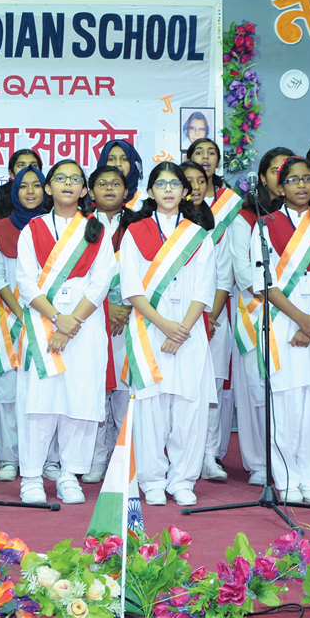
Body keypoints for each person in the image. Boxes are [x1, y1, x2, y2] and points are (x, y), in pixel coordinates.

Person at [16, 159, 115, 505]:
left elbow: (102, 280)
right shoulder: (33, 229)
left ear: (84, 190)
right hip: (45, 323)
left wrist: (72, 323)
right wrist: (58, 319)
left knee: (81, 399)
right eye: (60, 178)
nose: (68, 184)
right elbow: (26, 283)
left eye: (75, 179)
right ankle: (31, 476)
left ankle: (70, 473)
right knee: (41, 402)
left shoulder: (96, 228)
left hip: (85, 327)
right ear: (48, 187)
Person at [250, 156, 310, 504]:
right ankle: (288, 478)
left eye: (307, 178)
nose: (302, 185)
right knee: (287, 400)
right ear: (280, 186)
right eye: (293, 180)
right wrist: (300, 319)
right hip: (281, 320)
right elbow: (265, 283)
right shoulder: (264, 224)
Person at [120, 163, 216, 506]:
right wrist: (164, 326)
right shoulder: (135, 231)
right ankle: (152, 480)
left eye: (175, 184)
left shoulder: (198, 234)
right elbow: (132, 289)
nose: (169, 190)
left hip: (188, 332)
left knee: (188, 406)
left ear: (184, 191)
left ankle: (183, 478)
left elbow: (205, 288)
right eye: (161, 184)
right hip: (150, 329)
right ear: (150, 192)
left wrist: (183, 329)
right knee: (151, 408)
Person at [229, 147, 293, 487]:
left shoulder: (306, 217)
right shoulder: (246, 216)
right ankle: (257, 461)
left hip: (294, 317)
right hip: (256, 312)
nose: (283, 179)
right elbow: (243, 272)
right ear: (264, 177)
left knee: (289, 390)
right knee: (255, 391)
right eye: (276, 171)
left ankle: (290, 457)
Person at [0, 165, 47, 481]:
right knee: (6, 393)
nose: (31, 191)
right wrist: (22, 314)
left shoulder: (55, 229)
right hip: (8, 318)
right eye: (25, 186)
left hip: (48, 318)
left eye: (37, 185)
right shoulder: (1, 230)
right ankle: (9, 458)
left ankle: (48, 458)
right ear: (15, 192)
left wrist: (40, 314)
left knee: (45, 391)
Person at [181, 161, 237, 482]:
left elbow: (224, 275)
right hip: (177, 322)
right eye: (187, 181)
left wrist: (211, 317)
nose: (195, 186)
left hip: (212, 318)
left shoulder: (218, 226)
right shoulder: (167, 226)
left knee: (212, 387)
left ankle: (208, 455)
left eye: (200, 180)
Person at [82, 165, 130, 483]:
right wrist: (105, 306)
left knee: (125, 390)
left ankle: (124, 459)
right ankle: (96, 457)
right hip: (91, 318)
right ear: (91, 191)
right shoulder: (82, 227)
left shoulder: (140, 226)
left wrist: (125, 306)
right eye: (102, 184)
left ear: (126, 192)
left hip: (131, 319)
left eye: (116, 184)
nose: (109, 189)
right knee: (96, 388)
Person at [0, 149, 43, 224]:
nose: (27, 169)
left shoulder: (50, 200)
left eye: (34, 165)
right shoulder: (0, 209)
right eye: (21, 165)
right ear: (11, 174)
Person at [97, 140, 144, 211]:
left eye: (124, 159)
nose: (118, 164)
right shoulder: (89, 202)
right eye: (111, 159)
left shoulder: (143, 203)